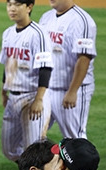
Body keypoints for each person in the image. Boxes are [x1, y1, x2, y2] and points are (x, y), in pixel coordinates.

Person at [0, 0, 53, 162]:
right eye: (9, 5)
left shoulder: (38, 33)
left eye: (17, 5)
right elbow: (8, 64)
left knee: (34, 150)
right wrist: (3, 91)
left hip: (32, 97)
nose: (12, 9)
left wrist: (39, 99)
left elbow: (45, 68)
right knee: (9, 149)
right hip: (13, 98)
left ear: (29, 7)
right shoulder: (7, 33)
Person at [39, 0, 96, 140]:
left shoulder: (82, 21)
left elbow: (84, 58)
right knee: (34, 134)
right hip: (47, 90)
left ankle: (83, 162)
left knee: (75, 138)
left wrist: (72, 91)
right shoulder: (46, 18)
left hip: (71, 90)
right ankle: (48, 161)